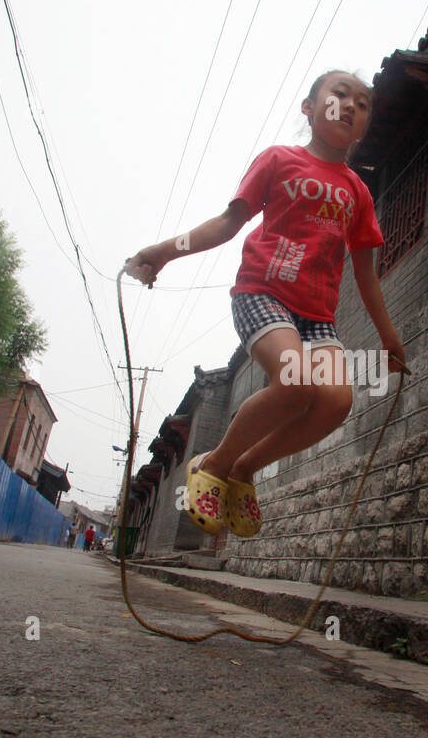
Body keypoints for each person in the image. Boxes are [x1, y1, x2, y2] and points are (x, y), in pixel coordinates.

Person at [125, 70, 405, 540]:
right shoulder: (278, 159)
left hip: (317, 318)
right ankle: (213, 462)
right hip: (263, 292)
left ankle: (244, 469)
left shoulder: (358, 193)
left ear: (363, 126)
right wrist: (163, 252)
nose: (351, 105)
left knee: (336, 401)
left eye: (363, 102)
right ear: (309, 109)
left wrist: (390, 339)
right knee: (294, 383)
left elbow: (364, 274)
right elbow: (226, 224)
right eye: (339, 94)